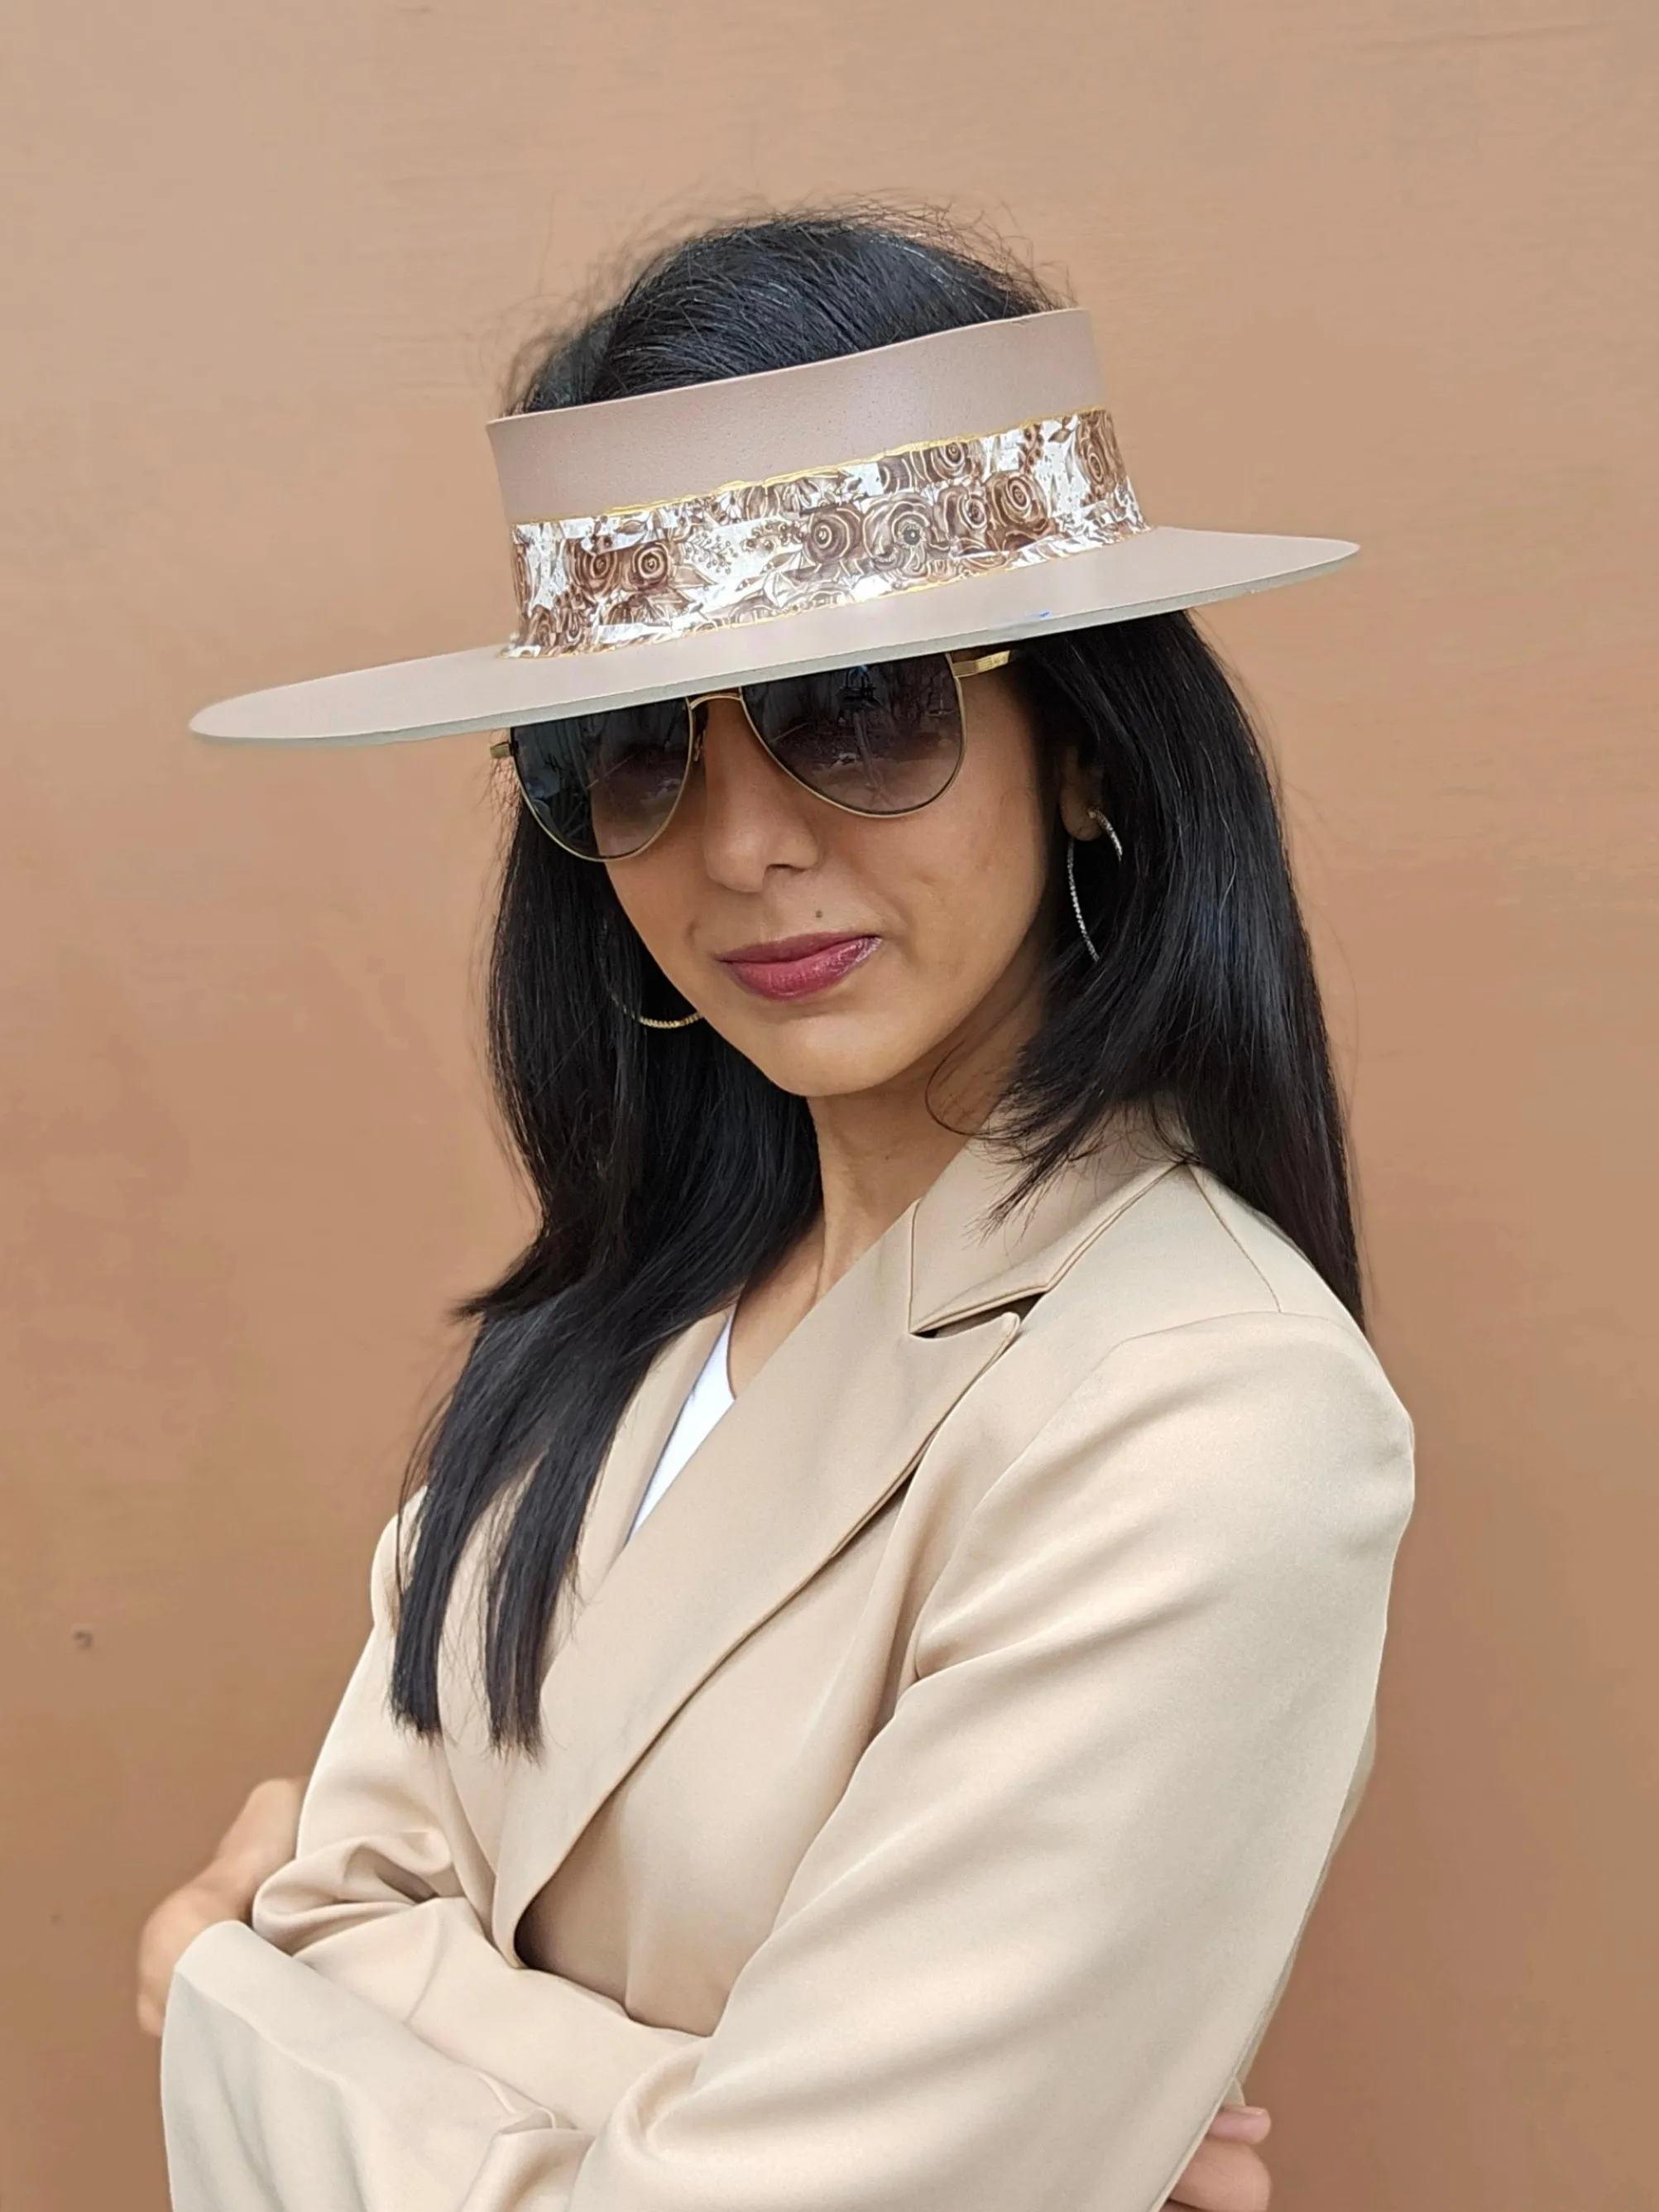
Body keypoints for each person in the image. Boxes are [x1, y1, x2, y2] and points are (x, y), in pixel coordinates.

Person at [151, 209, 1413, 2212]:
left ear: (1082, 743)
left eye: (862, 710)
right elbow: (346, 1896)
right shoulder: (612, 1336)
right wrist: (689, 2094)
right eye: (640, 751)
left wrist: (231, 1998)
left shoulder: (1211, 1411)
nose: (741, 843)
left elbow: (321, 1929)